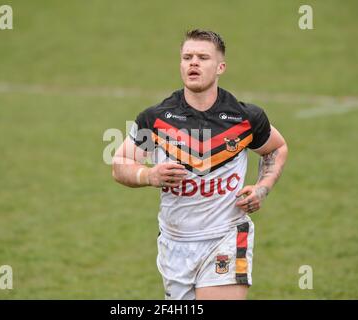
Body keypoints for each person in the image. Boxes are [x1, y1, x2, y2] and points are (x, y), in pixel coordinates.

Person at [112, 29, 288, 300]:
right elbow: (120, 163)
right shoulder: (156, 118)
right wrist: (149, 174)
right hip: (175, 243)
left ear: (220, 67)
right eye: (187, 57)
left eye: (202, 57)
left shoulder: (245, 117)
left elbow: (276, 148)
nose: (193, 62)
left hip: (226, 235)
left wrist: (262, 188)